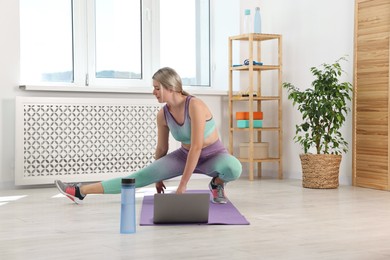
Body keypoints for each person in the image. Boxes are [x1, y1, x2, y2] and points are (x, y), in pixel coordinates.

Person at [55, 67, 242, 204]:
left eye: (157, 88)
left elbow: (197, 146)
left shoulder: (195, 105)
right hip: (184, 156)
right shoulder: (163, 114)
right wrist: (157, 177)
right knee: (138, 177)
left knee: (233, 167)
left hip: (212, 156)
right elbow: (162, 148)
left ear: (171, 87)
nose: (153, 92)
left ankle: (217, 184)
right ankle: (80, 191)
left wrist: (183, 185)